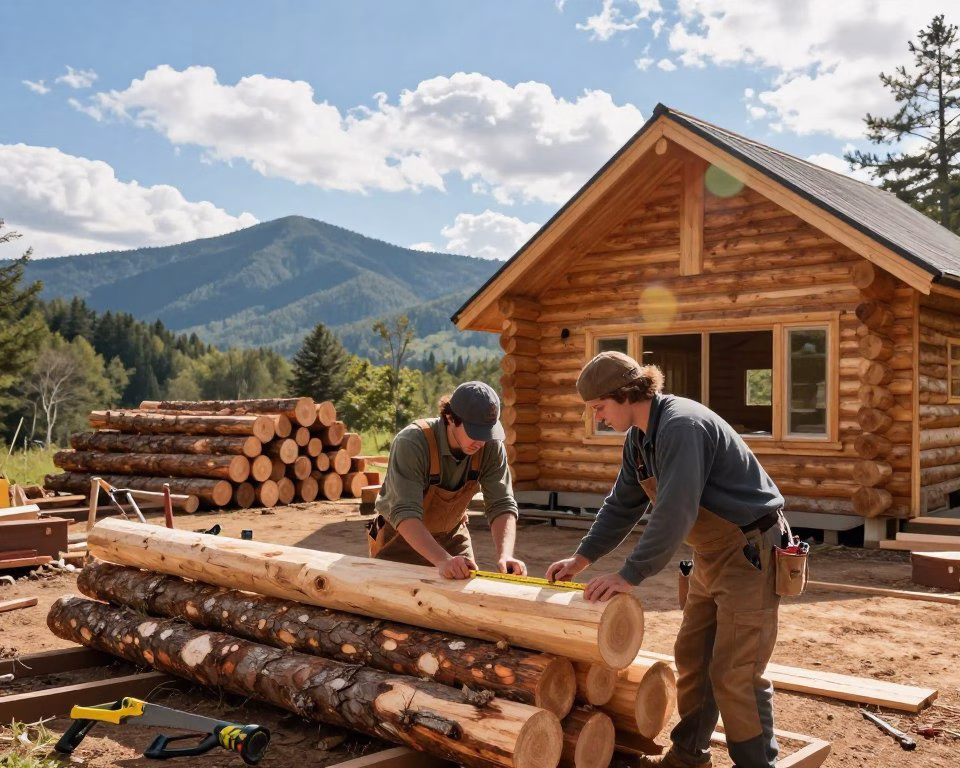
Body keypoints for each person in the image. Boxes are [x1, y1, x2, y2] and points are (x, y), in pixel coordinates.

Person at [546, 351, 785, 768]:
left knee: (736, 673)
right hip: (711, 554)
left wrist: (629, 574)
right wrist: (581, 558)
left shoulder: (681, 426)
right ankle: (689, 757)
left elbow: (676, 511)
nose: (597, 418)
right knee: (693, 659)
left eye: (599, 408)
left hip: (751, 552)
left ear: (625, 394)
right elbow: (622, 503)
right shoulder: (640, 439)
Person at [368, 380, 526, 580]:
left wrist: (506, 555)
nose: (481, 441)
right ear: (450, 418)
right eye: (474, 432)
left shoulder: (490, 446)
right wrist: (442, 560)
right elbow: (404, 513)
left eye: (487, 433)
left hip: (452, 535)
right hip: (401, 538)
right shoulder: (412, 443)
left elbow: (501, 504)